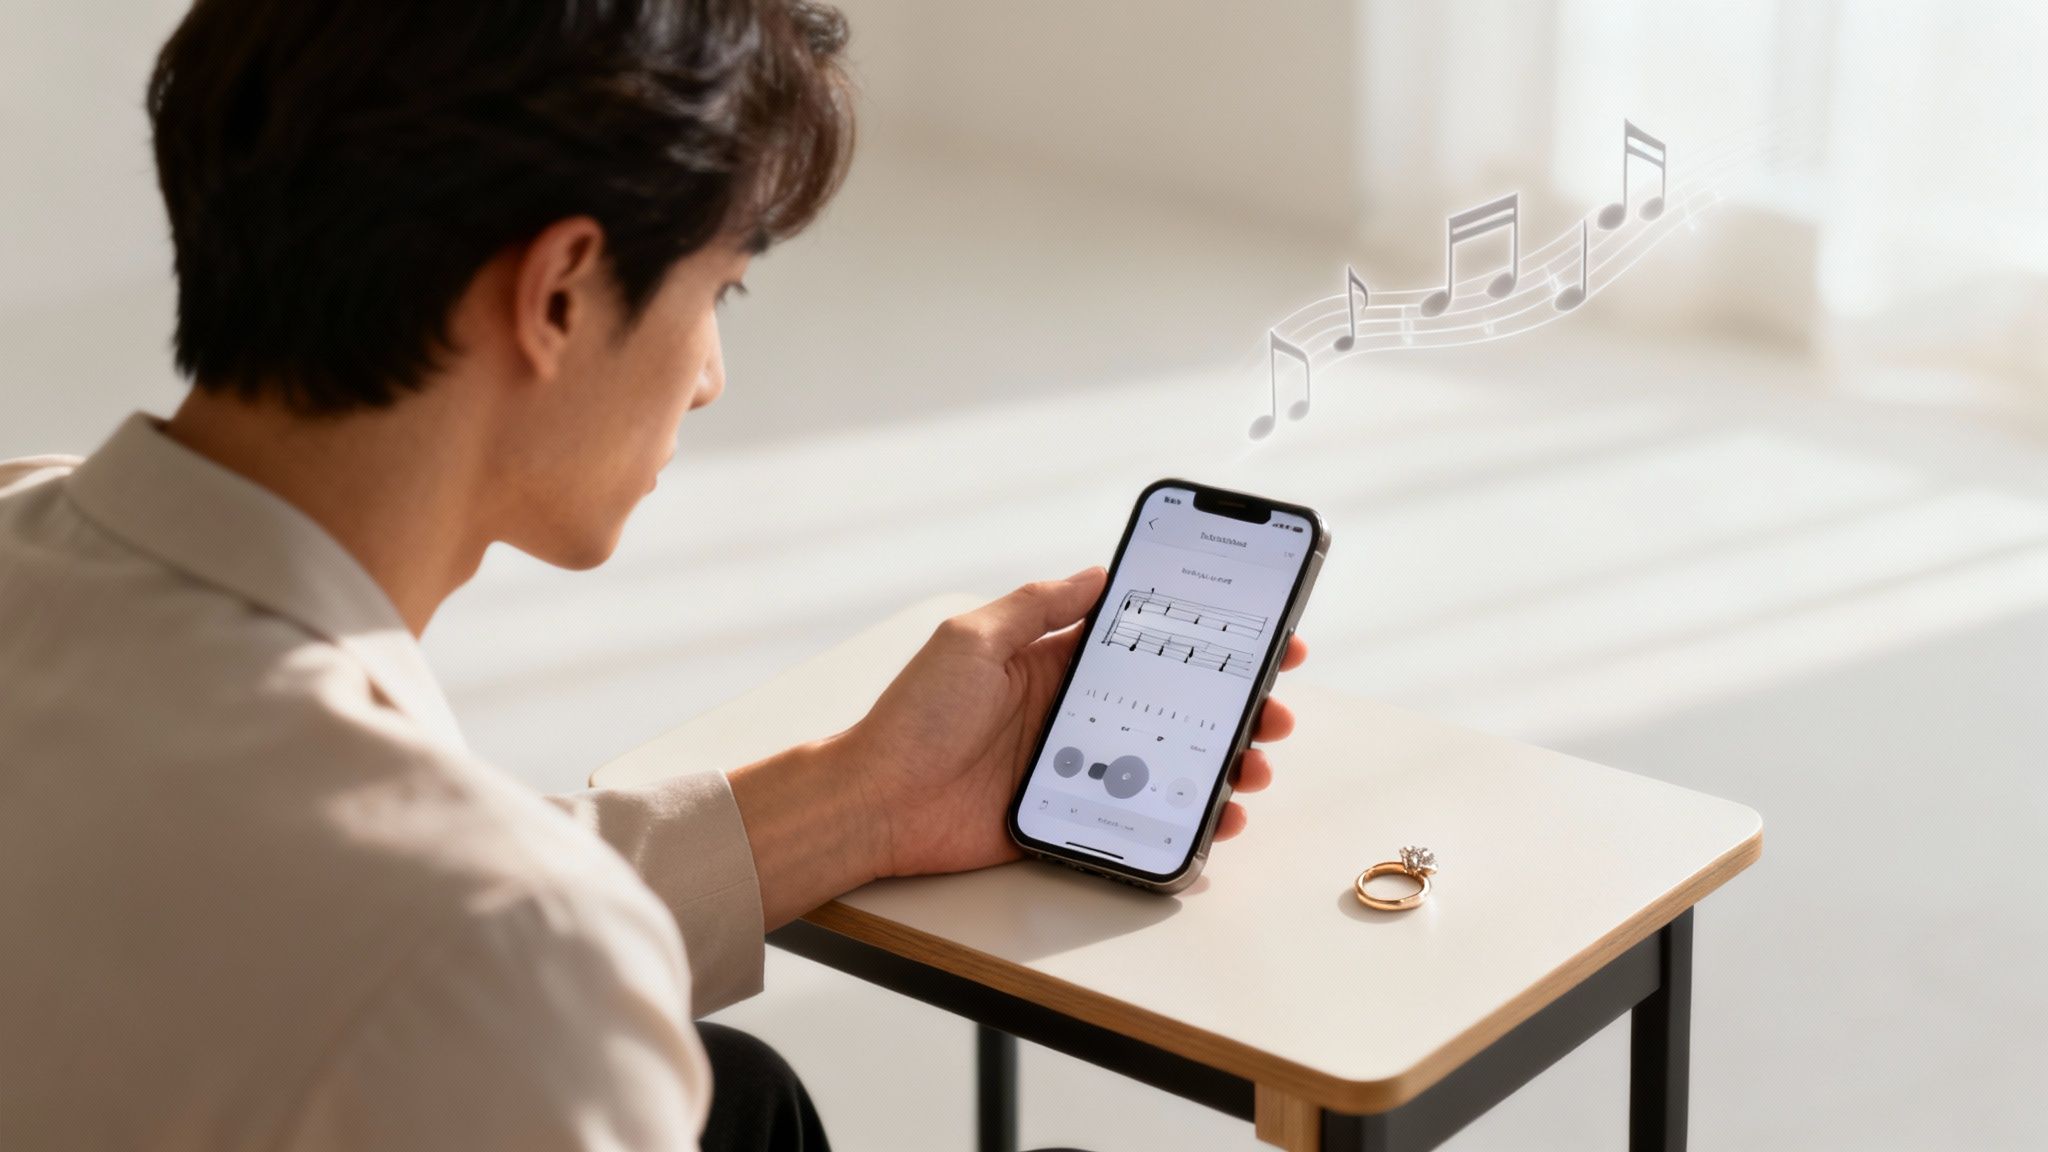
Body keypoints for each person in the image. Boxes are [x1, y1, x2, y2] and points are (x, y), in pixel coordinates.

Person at [0, 2, 1307, 1149]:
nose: (709, 376)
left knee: (738, 1097)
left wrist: (866, 799)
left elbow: (335, 926)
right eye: (720, 292)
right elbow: (468, 942)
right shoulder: (498, 962)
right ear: (561, 290)